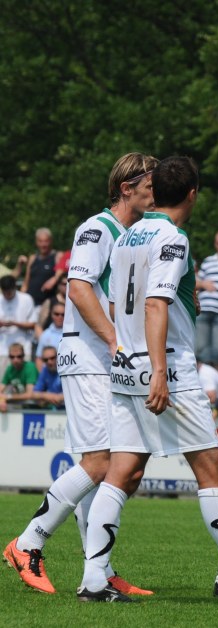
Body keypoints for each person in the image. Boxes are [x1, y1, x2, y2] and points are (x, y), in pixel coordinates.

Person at [76, 156, 218, 604]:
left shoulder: (127, 235)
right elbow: (157, 303)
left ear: (154, 190)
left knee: (122, 471)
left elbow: (121, 303)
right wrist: (159, 369)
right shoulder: (172, 237)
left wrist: (133, 353)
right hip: (167, 368)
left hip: (124, 363)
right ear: (192, 194)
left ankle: (94, 578)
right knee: (213, 471)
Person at [2, 153, 159, 596]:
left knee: (109, 466)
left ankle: (99, 572)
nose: (156, 190)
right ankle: (28, 543)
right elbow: (79, 287)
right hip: (89, 358)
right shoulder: (97, 228)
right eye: (150, 183)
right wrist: (115, 340)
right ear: (127, 187)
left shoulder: (131, 234)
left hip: (105, 360)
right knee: (101, 463)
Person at [195, 229, 218, 372]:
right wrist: (204, 284)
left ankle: (216, 388)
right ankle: (203, 385)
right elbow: (196, 282)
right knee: (200, 349)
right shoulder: (208, 261)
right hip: (204, 309)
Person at [0, 274, 37, 374]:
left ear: (15, 288)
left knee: (24, 384)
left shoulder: (26, 299)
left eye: (9, 292)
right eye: (4, 293)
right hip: (2, 350)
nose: (7, 295)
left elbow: (33, 324)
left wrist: (15, 323)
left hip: (24, 349)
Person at [21, 227, 64, 308]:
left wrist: (54, 279)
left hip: (47, 304)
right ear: (36, 242)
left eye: (46, 241)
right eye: (40, 241)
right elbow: (26, 283)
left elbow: (63, 272)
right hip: (29, 303)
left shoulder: (58, 256)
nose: (43, 244)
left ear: (50, 241)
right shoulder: (32, 258)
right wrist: (21, 299)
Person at [0, 343, 38, 412]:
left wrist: (8, 397)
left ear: (23, 356)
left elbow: (29, 395)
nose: (15, 360)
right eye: (12, 357)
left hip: (36, 405)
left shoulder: (30, 367)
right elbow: (1, 389)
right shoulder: (10, 369)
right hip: (22, 405)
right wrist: (2, 401)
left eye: (19, 356)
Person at [35, 302, 65, 370]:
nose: (60, 317)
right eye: (56, 314)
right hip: (50, 373)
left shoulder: (71, 333)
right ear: (51, 314)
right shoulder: (45, 334)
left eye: (63, 314)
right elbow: (39, 358)